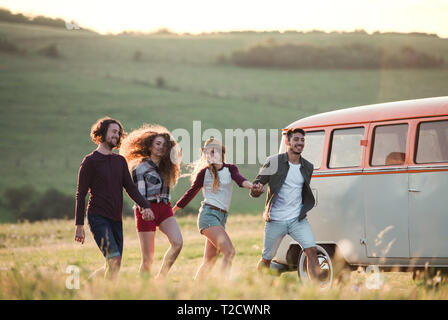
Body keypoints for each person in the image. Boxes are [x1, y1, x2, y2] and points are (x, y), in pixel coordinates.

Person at [74, 117, 152, 279]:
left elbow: (130, 188)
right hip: (98, 216)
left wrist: (145, 206)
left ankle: (87, 286)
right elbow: (81, 194)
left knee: (114, 263)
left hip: (116, 218)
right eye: (113, 132)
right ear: (102, 133)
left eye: (118, 132)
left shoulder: (120, 161)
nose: (116, 135)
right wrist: (79, 225)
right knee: (114, 259)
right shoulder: (90, 161)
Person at [173, 138, 257, 280]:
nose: (209, 155)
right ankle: (222, 287)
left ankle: (196, 289)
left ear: (220, 152)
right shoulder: (203, 173)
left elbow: (240, 180)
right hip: (208, 216)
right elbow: (191, 193)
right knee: (229, 252)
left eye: (212, 151)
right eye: (206, 152)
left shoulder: (230, 169)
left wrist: (252, 186)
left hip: (221, 218)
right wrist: (174, 209)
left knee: (209, 260)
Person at [250, 127, 325, 282]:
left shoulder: (308, 166)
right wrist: (257, 190)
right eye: (296, 139)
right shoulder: (273, 162)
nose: (300, 143)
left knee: (311, 250)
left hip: (297, 219)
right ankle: (258, 286)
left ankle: (317, 291)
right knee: (267, 259)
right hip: (276, 220)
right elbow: (255, 187)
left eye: (302, 140)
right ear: (287, 142)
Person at [120, 124, 183, 279]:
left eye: (164, 145)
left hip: (164, 208)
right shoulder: (140, 167)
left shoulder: (168, 167)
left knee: (178, 243)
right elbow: (139, 193)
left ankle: (161, 278)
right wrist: (144, 209)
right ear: (149, 146)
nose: (161, 147)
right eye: (158, 143)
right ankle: (143, 291)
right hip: (146, 209)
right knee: (148, 259)